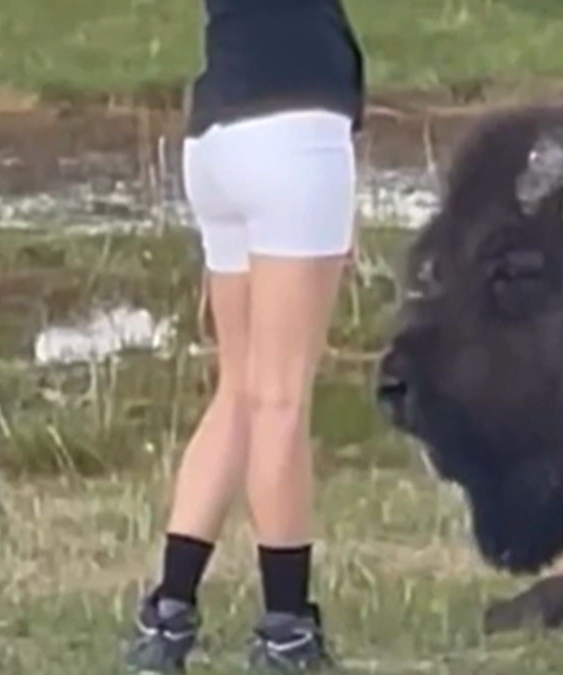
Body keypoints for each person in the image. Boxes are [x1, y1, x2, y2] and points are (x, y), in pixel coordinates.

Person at [123, 0, 365, 672]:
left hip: (217, 139)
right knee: (281, 399)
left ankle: (168, 616)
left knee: (241, 386)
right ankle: (286, 630)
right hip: (295, 130)